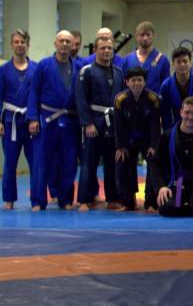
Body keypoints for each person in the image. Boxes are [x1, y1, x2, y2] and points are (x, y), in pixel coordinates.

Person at [27, 30, 81, 211]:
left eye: (68, 41)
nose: (65, 44)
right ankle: (37, 201)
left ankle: (65, 200)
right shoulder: (43, 65)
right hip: (46, 120)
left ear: (72, 45)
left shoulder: (78, 67)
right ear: (55, 43)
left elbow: (81, 97)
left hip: (69, 121)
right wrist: (32, 118)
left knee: (69, 162)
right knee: (41, 162)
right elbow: (34, 92)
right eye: (61, 41)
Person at [75, 36, 124, 211]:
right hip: (94, 120)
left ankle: (113, 198)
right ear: (95, 50)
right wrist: (87, 123)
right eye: (102, 48)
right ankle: (84, 199)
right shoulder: (86, 71)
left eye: (109, 48)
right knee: (89, 162)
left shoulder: (119, 72)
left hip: (113, 122)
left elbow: (122, 99)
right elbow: (80, 99)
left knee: (112, 163)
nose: (106, 51)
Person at [153, 97, 193, 217]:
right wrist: (161, 187)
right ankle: (181, 206)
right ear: (181, 112)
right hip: (176, 185)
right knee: (167, 208)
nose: (190, 117)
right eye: (187, 112)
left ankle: (188, 207)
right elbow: (156, 165)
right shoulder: (167, 136)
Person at [113, 67, 161, 211]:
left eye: (140, 80)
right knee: (122, 162)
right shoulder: (120, 100)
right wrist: (121, 147)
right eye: (133, 80)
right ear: (127, 82)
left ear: (144, 82)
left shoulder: (153, 99)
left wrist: (154, 145)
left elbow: (155, 125)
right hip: (128, 139)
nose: (136, 83)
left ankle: (151, 202)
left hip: (147, 138)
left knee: (153, 162)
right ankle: (128, 202)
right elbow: (118, 125)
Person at [0, 30, 36, 209]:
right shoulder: (3, 70)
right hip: (10, 122)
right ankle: (9, 200)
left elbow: (39, 96)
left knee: (35, 162)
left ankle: (37, 199)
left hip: (31, 122)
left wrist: (36, 118)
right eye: (16, 42)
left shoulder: (36, 68)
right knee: (10, 163)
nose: (20, 45)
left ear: (28, 44)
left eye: (23, 42)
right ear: (11, 44)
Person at [159, 46, 193, 129]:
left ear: (190, 63)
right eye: (178, 62)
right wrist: (168, 132)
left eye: (185, 61)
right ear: (173, 65)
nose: (182, 64)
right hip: (176, 128)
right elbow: (165, 114)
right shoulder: (166, 86)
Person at [121, 21, 170, 93]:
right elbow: (123, 85)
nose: (145, 38)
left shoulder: (162, 60)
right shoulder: (127, 59)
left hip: (155, 99)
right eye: (142, 35)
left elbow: (166, 88)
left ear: (153, 36)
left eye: (148, 34)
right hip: (131, 99)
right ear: (136, 36)